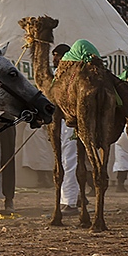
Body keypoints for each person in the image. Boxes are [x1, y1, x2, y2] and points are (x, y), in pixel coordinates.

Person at [52, 43, 80, 213]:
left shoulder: (70, 78)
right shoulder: (59, 75)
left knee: (70, 160)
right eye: (53, 55)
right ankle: (74, 197)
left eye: (57, 55)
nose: (54, 59)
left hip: (71, 121)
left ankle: (69, 201)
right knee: (66, 160)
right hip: (62, 123)